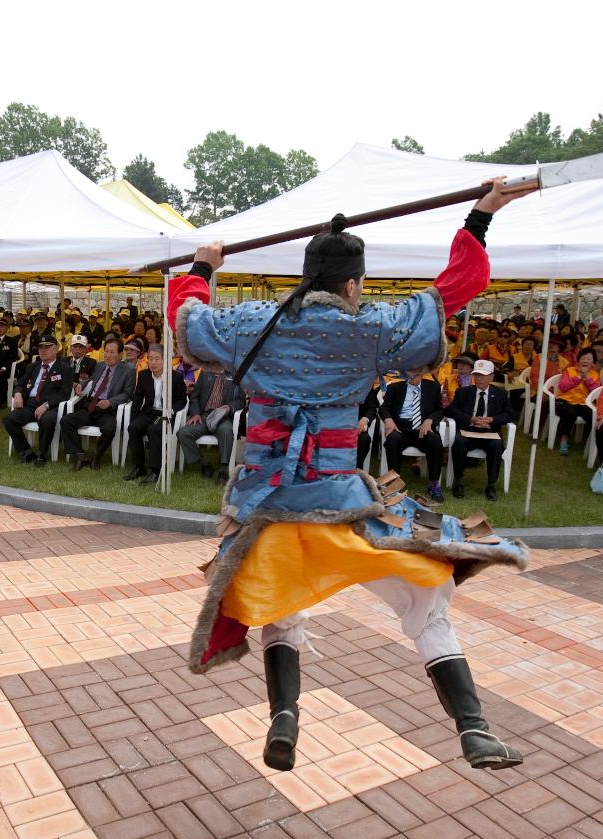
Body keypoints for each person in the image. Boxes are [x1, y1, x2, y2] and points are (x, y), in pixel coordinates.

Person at [167, 179, 531, 775]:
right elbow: (455, 289)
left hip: (263, 503)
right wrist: (480, 216)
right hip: (338, 502)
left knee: (283, 606)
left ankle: (284, 716)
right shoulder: (372, 326)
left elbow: (187, 319)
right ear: (354, 283)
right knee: (426, 601)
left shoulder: (252, 323)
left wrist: (201, 266)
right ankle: (474, 729)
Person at [61, 338, 134, 470]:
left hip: (107, 409)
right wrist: (80, 385)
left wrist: (110, 402)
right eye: (106, 351)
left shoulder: (128, 370)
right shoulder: (100, 365)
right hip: (90, 405)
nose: (108, 355)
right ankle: (80, 456)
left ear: (120, 354)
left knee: (110, 428)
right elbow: (91, 380)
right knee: (66, 421)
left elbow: (128, 394)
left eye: (112, 352)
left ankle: (97, 456)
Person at [448, 359, 513, 500]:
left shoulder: (501, 394)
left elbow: (509, 414)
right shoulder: (463, 392)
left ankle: (491, 484)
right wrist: (469, 418)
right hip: (468, 431)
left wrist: (492, 420)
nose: (479, 378)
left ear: (491, 377)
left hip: (489, 433)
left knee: (496, 445)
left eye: (483, 375)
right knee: (458, 442)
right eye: (476, 374)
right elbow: (451, 410)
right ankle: (458, 480)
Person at [123, 343, 187, 483]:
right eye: (150, 359)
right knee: (133, 428)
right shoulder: (143, 375)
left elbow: (182, 400)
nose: (153, 362)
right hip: (149, 412)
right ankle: (139, 467)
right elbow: (137, 400)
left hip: (166, 414)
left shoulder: (175, 377)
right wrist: (133, 419)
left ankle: (155, 471)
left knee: (154, 430)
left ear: (164, 360)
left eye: (157, 359)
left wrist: (172, 410)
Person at [380, 367, 446, 501]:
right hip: (401, 427)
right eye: (410, 372)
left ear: (423, 373)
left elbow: (439, 410)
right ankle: (394, 481)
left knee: (435, 441)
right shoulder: (395, 388)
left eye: (417, 372)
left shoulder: (433, 387)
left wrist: (430, 420)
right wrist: (388, 419)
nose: (413, 375)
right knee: (392, 439)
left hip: (422, 428)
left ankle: (433, 483)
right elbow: (384, 407)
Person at [4, 334, 70, 466]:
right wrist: (17, 394)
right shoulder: (33, 367)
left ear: (55, 349)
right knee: (9, 419)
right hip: (31, 404)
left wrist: (46, 405)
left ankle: (42, 454)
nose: (43, 350)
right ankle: (26, 451)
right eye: (40, 348)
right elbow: (20, 384)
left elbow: (65, 393)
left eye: (47, 347)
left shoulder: (64, 368)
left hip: (50, 406)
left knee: (47, 420)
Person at [178, 366, 245, 482]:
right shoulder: (206, 372)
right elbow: (195, 396)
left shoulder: (236, 375)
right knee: (183, 433)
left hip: (223, 417)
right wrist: (195, 413)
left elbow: (241, 401)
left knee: (226, 432)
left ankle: (223, 471)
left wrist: (230, 407)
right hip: (204, 416)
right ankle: (204, 464)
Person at [552, 349, 600, 455]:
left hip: (584, 403)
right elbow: (563, 387)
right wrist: (578, 377)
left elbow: (596, 391)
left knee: (593, 415)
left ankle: (593, 444)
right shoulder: (569, 370)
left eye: (588, 359)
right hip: (566, 401)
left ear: (593, 363)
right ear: (578, 360)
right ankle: (564, 440)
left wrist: (587, 378)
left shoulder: (595, 375)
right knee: (570, 412)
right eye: (583, 358)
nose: (585, 361)